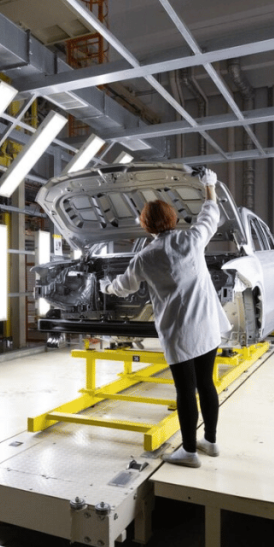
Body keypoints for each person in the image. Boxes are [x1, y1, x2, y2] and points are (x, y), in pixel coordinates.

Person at [100, 168, 230, 468]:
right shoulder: (192, 239)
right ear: (172, 218)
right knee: (207, 384)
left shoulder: (144, 257)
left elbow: (124, 286)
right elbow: (210, 214)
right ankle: (209, 441)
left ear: (146, 226)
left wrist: (107, 287)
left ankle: (189, 452)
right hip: (207, 326)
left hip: (179, 333)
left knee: (185, 390)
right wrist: (208, 184)